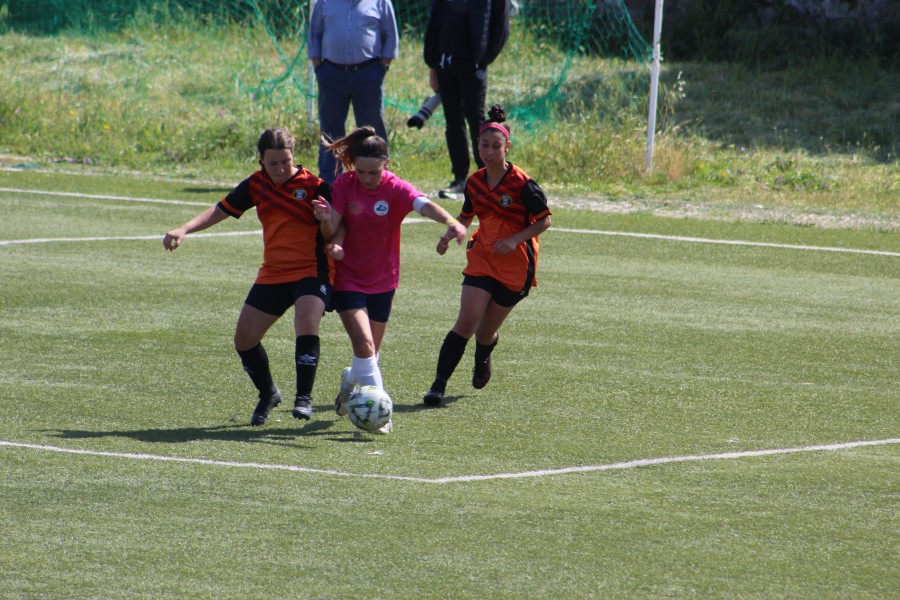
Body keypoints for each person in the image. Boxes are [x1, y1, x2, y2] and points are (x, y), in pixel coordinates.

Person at [163, 128, 334, 426]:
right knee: (244, 339)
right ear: (261, 162)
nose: (280, 169)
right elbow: (220, 210)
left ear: (294, 157)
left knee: (307, 321)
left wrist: (326, 218)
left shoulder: (316, 186)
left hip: (311, 270)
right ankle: (268, 393)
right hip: (274, 272)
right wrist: (184, 229)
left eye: (286, 161)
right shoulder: (256, 185)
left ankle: (304, 398)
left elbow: (337, 230)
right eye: (273, 163)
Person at [312, 126, 467, 432]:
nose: (367, 178)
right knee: (365, 345)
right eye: (361, 172)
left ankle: (349, 380)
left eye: (373, 172)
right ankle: (380, 413)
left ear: (387, 163)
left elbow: (423, 204)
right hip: (347, 278)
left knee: (369, 353)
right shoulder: (345, 184)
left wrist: (451, 221)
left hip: (384, 280)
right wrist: (325, 219)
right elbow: (330, 231)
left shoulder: (395, 188)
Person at [423, 104, 551, 406]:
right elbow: (467, 216)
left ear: (507, 146)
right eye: (484, 145)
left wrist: (515, 239)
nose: (489, 151)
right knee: (466, 322)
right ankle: (437, 386)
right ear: (477, 144)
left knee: (483, 333)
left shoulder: (523, 185)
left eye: (496, 146)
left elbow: (544, 221)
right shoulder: (475, 181)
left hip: (516, 268)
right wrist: (450, 233)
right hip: (482, 258)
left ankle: (483, 354)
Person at [424, 0, 510, 196]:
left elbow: (501, 26)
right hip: (445, 61)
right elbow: (436, 20)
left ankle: (487, 178)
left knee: (475, 118)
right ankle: (460, 179)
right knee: (453, 120)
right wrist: (433, 64)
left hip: (472, 62)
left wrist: (483, 59)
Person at [308, 0, 399, 184]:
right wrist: (319, 67)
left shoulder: (381, 2)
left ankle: (380, 176)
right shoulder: (324, 2)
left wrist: (382, 68)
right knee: (330, 129)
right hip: (331, 73)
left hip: (368, 73)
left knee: (372, 128)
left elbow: (390, 35)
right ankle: (329, 181)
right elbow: (314, 35)